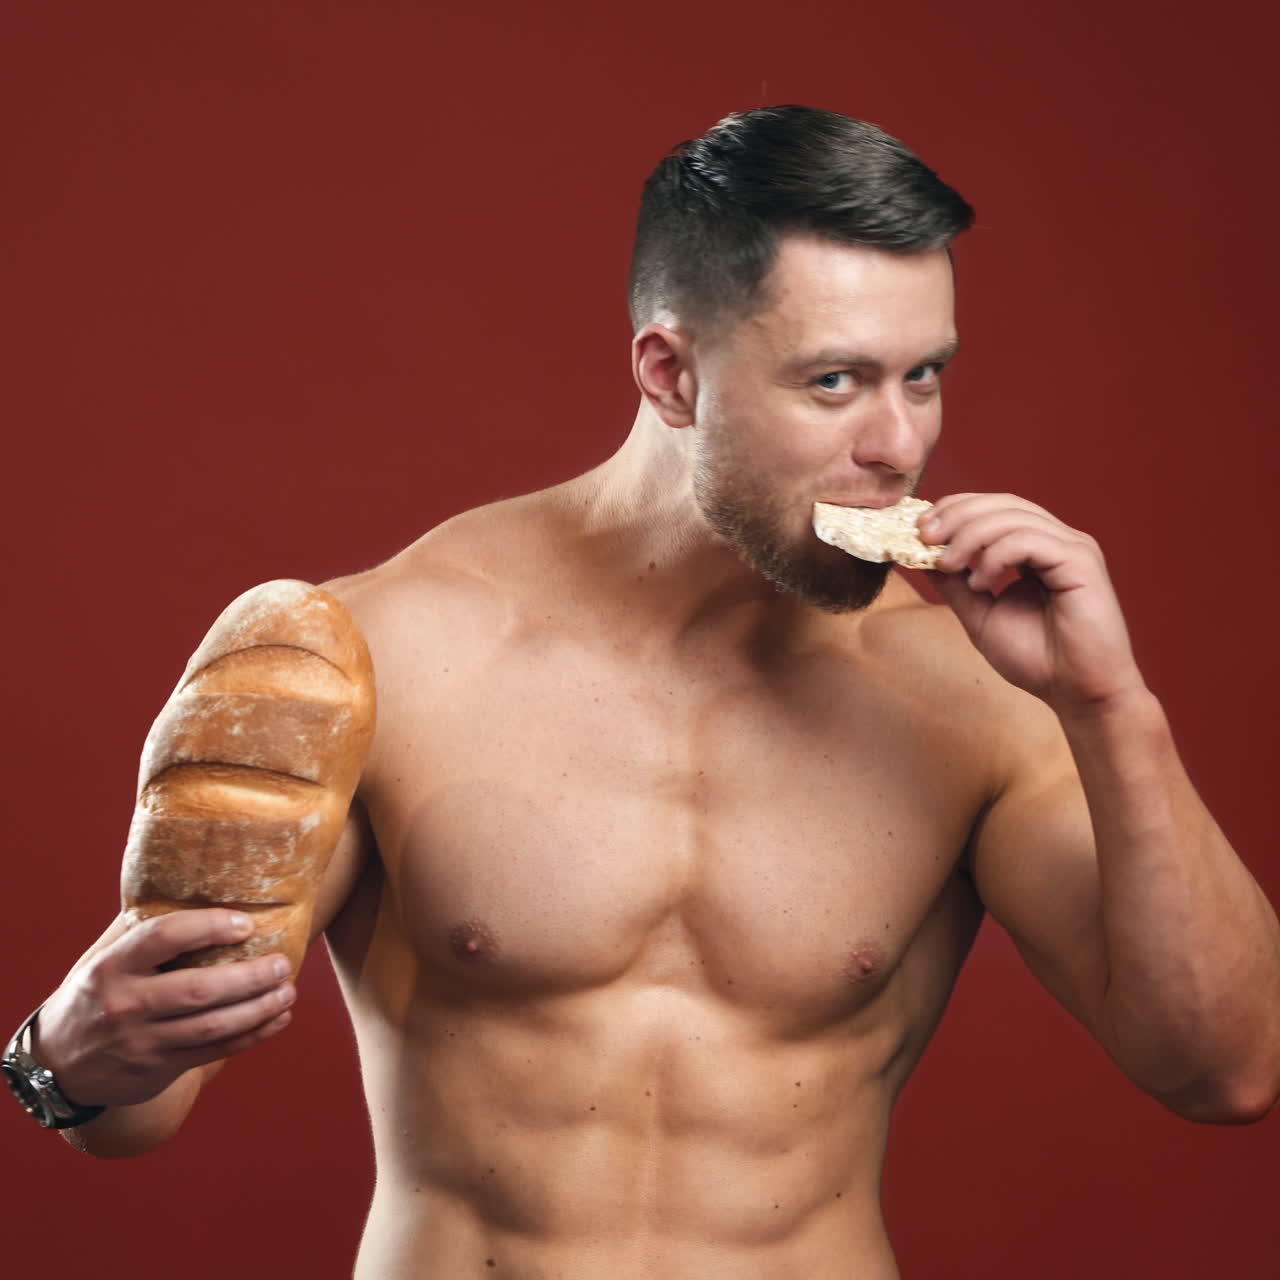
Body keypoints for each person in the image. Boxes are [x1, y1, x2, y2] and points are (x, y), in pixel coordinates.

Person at [8, 105, 1280, 1278]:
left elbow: (1225, 1070)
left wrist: (1112, 708)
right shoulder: (378, 650)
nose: (897, 444)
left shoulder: (970, 695)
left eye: (923, 374)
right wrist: (63, 1052)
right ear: (668, 373)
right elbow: (134, 1108)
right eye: (832, 381)